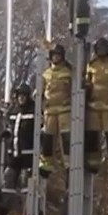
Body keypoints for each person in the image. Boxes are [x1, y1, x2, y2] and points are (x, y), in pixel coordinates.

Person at [1, 83, 36, 215]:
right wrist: (5, 133)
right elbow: (11, 129)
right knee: (7, 179)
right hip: (13, 156)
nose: (21, 98)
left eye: (24, 96)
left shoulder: (34, 111)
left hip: (28, 157)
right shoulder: (14, 111)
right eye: (19, 96)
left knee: (25, 185)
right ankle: (3, 211)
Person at [85, 37, 108, 174]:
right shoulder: (91, 65)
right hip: (93, 107)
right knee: (92, 136)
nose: (101, 51)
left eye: (104, 49)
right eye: (99, 49)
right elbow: (86, 82)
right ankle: (93, 163)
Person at [40, 44, 73, 177]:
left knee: (66, 137)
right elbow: (41, 90)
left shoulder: (68, 72)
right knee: (47, 137)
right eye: (54, 55)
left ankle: (68, 163)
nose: (56, 57)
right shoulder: (46, 74)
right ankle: (46, 163)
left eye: (58, 55)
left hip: (65, 109)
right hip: (49, 110)